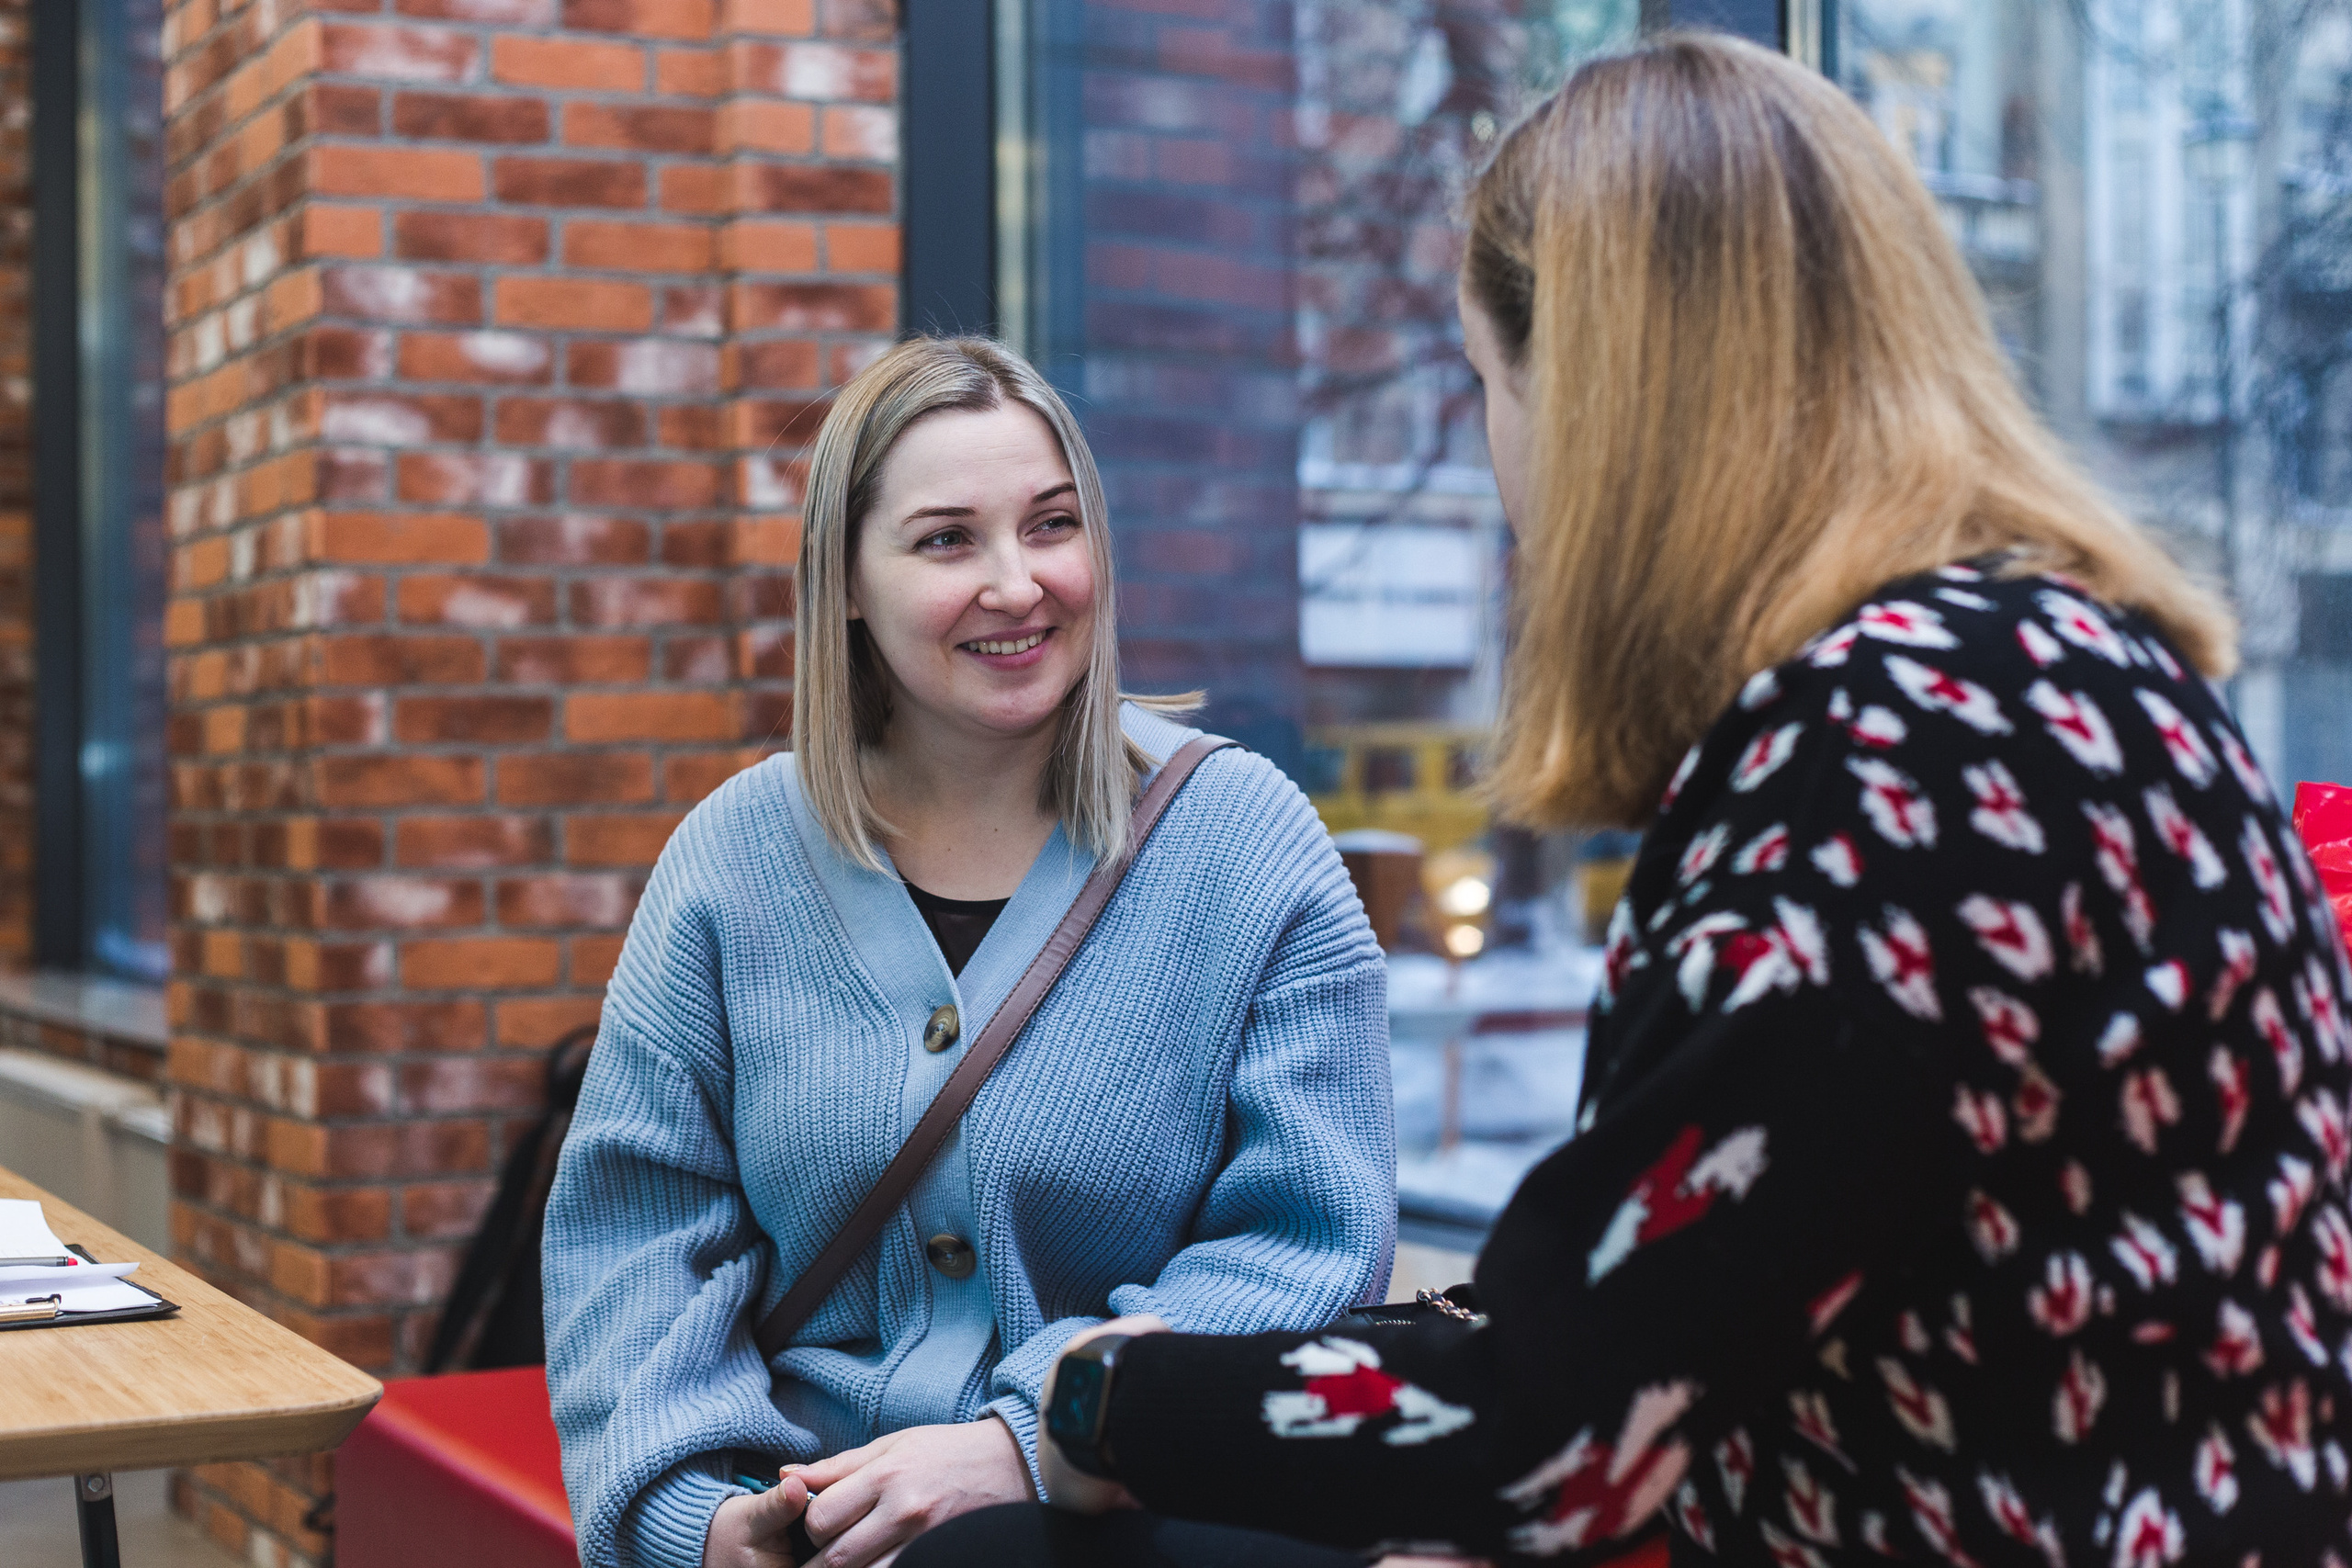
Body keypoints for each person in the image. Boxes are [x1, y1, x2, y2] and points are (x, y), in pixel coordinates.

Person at [902, 32, 2352, 1568]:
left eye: (1487, 382)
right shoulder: (2044, 670)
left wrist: (1093, 1400)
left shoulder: (1875, 762)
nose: (1498, 461)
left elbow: (1545, 1431)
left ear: (1601, 406)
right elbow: (1680, 1282)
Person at [540, 337, 1396, 1568]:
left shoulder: (1247, 842)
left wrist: (1031, 1437)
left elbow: (1309, 1247)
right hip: (811, 1521)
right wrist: (701, 1522)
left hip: (1132, 1519)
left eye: (1052, 526)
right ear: (844, 581)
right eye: (948, 541)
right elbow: (639, 1243)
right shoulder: (733, 859)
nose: (1018, 584)